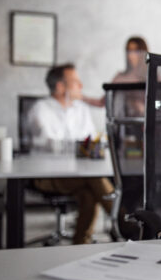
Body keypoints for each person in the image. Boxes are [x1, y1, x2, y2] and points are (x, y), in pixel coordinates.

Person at [28, 63, 114, 244]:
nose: (81, 86)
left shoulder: (81, 109)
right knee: (96, 179)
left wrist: (88, 146)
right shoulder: (40, 109)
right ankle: (125, 224)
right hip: (49, 176)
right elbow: (50, 144)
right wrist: (83, 146)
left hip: (79, 173)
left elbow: (90, 141)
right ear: (60, 86)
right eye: (75, 82)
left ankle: (80, 243)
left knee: (89, 195)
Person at [83, 36, 149, 116]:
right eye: (129, 51)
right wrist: (81, 97)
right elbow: (102, 102)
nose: (130, 55)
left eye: (136, 51)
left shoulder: (151, 76)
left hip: (145, 122)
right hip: (121, 123)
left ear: (143, 53)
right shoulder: (120, 77)